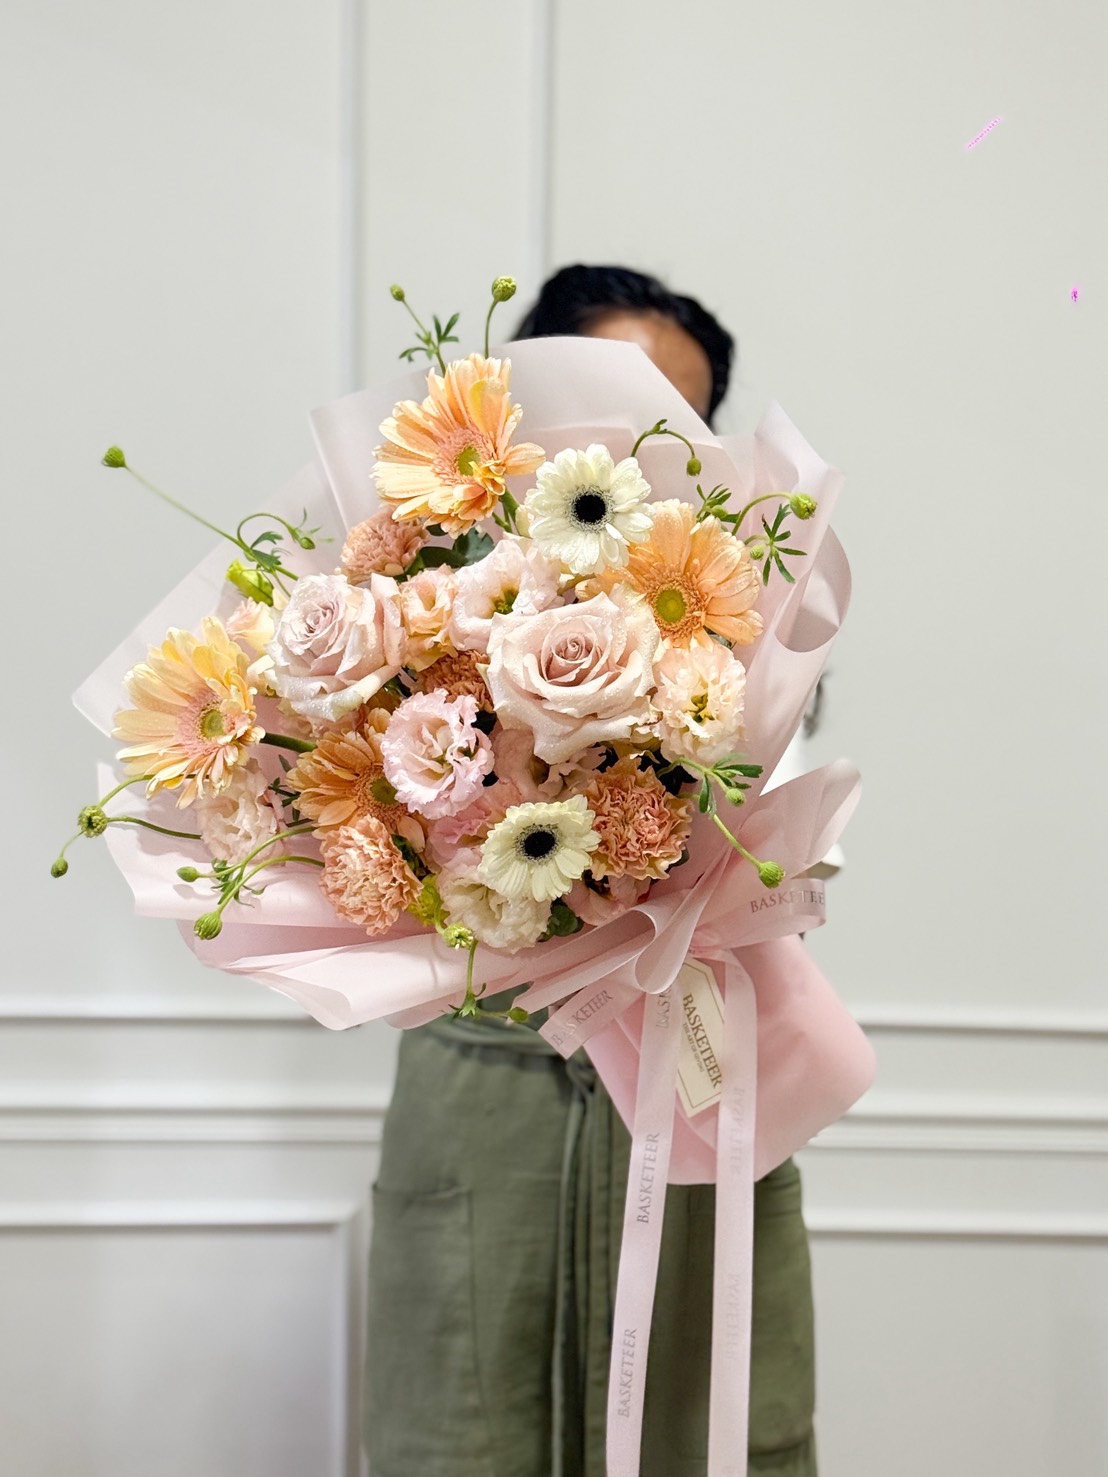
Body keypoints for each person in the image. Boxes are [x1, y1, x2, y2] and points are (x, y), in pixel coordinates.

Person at [363, 265, 818, 1477]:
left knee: (708, 1429)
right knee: (460, 1430)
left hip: (696, 1073)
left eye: (680, 423)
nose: (641, 447)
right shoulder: (404, 613)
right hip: (486, 1087)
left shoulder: (746, 627)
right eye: (609, 399)